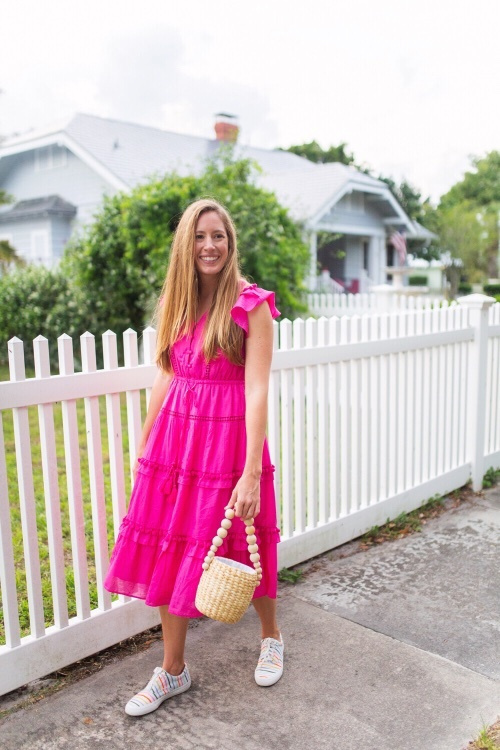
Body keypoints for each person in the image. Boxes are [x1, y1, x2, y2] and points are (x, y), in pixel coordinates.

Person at [104, 198, 284, 717]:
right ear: (188, 243)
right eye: (200, 236)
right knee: (170, 545)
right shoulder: (177, 303)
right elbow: (167, 371)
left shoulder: (251, 306)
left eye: (219, 236)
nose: (210, 246)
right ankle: (173, 670)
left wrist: (250, 471)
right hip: (176, 444)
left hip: (229, 444)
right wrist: (146, 436)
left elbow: (256, 391)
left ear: (231, 244)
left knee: (245, 546)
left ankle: (271, 635)